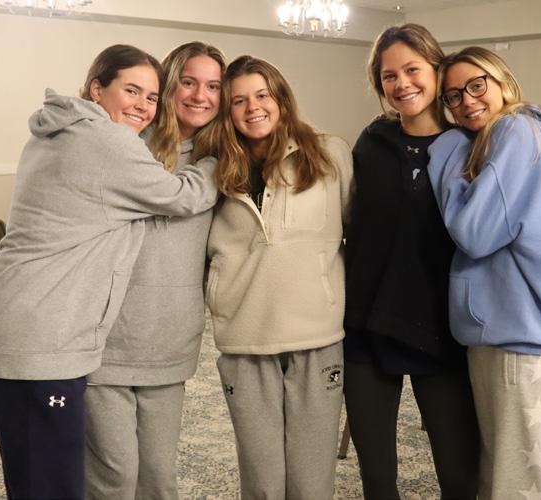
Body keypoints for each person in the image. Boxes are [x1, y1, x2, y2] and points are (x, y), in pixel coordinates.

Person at [0, 44, 219, 500]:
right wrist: (217, 162)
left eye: (151, 96)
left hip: (9, 331)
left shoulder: (61, 130)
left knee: (36, 481)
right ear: (97, 89)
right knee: (55, 486)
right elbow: (182, 196)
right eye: (131, 90)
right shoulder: (107, 141)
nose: (143, 105)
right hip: (39, 344)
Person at [428, 46, 541, 499]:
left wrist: (447, 149)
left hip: (526, 343)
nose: (466, 101)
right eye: (454, 95)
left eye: (476, 85)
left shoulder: (516, 129)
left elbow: (475, 232)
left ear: (502, 81)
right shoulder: (506, 135)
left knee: (523, 490)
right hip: (511, 336)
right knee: (505, 480)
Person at [342, 24, 480, 499]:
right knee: (377, 480)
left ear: (438, 71)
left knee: (459, 476)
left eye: (412, 70)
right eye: (389, 76)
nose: (401, 83)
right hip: (366, 323)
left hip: (441, 328)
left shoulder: (469, 144)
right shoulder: (371, 141)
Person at [206, 55, 353, 499]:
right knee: (262, 478)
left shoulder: (330, 153)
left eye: (262, 95)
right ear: (227, 110)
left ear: (281, 99)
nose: (253, 107)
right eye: (239, 100)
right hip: (245, 338)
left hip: (317, 336)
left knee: (312, 479)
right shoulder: (213, 167)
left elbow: (359, 234)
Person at [84, 41, 225, 499]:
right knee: (114, 477)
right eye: (188, 82)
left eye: (213, 86)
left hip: (171, 339)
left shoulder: (223, 158)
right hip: (106, 340)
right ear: (168, 86)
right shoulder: (123, 141)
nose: (200, 95)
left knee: (159, 478)